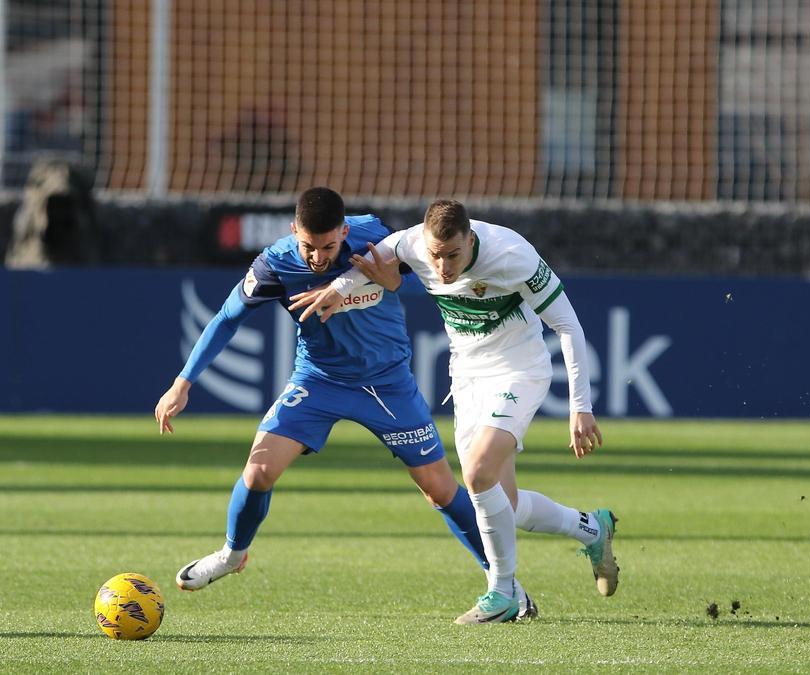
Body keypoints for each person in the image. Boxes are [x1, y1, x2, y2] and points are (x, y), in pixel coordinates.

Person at [154, 187, 540, 616]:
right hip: (320, 380)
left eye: (328, 246)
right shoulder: (276, 263)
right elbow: (227, 318)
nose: (318, 257)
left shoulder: (374, 235)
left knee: (439, 488)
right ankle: (232, 554)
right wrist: (183, 381)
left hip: (387, 382)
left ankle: (504, 584)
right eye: (308, 246)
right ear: (293, 231)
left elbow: (425, 276)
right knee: (259, 470)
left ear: (344, 231)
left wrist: (393, 280)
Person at [290, 199, 619, 624]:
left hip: (519, 371)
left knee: (478, 472)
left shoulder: (512, 254)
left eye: (453, 255)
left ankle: (502, 593)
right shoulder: (413, 242)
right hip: (466, 376)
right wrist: (337, 290)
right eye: (435, 256)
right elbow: (374, 262)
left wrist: (581, 407)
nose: (442, 267)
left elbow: (568, 326)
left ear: (471, 240)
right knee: (505, 504)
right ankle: (594, 529)